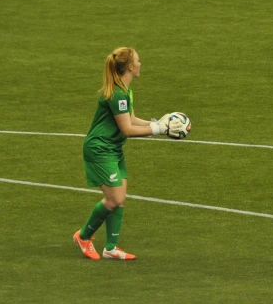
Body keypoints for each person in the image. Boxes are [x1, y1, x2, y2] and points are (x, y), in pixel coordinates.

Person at [73, 47, 188, 260]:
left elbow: (132, 120)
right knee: (114, 198)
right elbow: (127, 130)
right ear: (130, 67)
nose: (140, 64)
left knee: (121, 197)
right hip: (100, 149)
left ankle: (110, 248)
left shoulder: (125, 90)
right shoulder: (117, 95)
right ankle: (84, 236)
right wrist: (159, 130)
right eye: (138, 61)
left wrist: (157, 123)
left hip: (113, 148)